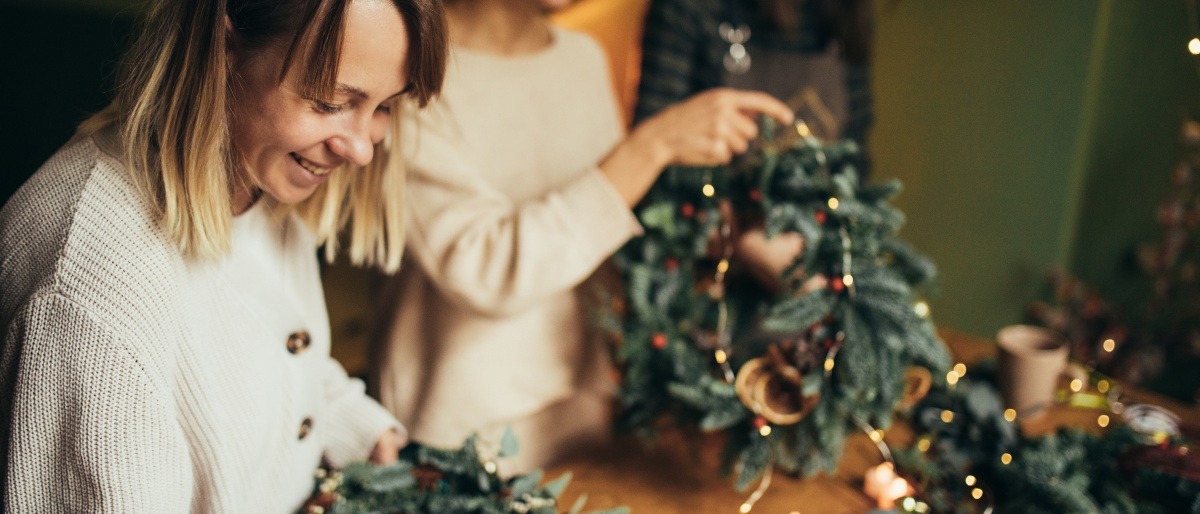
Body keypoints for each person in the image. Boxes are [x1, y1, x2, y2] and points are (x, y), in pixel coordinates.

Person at [0, 0, 445, 511]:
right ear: (224, 45)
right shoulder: (89, 300)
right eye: (329, 101)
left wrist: (358, 432)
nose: (363, 148)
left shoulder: (260, 175)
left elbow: (260, 360)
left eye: (386, 105)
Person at [369, 0, 795, 473]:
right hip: (459, 426)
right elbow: (486, 270)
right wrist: (652, 147)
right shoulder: (407, 66)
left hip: (582, 408)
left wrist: (729, 237)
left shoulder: (580, 58)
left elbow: (609, 229)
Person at [636, 0, 873, 174]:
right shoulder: (692, 8)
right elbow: (651, 156)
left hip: (816, 232)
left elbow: (853, 161)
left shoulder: (846, 17)